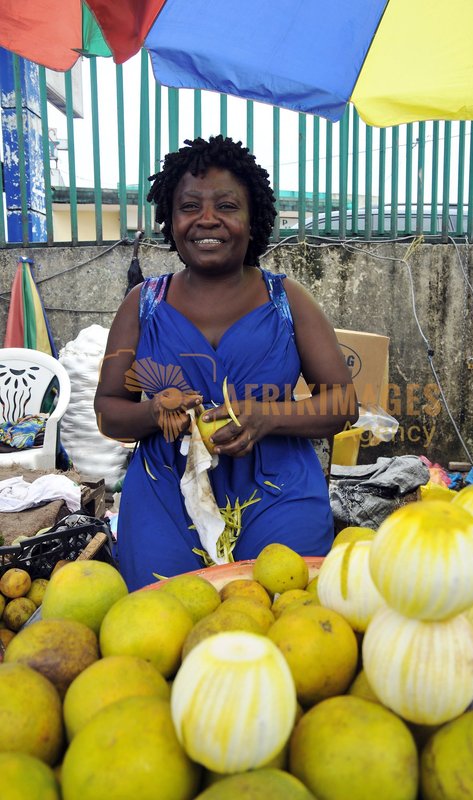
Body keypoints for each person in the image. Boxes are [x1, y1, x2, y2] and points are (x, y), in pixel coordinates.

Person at [95, 135, 357, 591]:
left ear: (253, 220)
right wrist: (154, 411)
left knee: (286, 619)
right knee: (162, 626)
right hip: (165, 494)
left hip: (278, 493)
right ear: (170, 221)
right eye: (190, 206)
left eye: (227, 206)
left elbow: (343, 403)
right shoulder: (142, 304)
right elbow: (108, 410)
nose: (207, 219)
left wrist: (268, 416)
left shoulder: (288, 300)